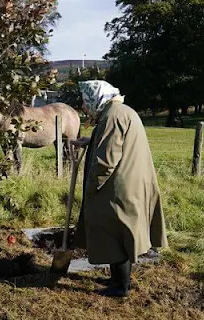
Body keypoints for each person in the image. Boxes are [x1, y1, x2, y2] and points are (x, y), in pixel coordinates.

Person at [72, 80, 168, 297]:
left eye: (87, 102)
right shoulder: (120, 111)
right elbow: (114, 141)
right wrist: (91, 140)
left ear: (97, 98)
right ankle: (117, 278)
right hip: (130, 181)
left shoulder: (112, 116)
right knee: (120, 230)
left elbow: (107, 159)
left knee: (114, 229)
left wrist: (92, 186)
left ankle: (120, 287)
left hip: (119, 185)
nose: (85, 107)